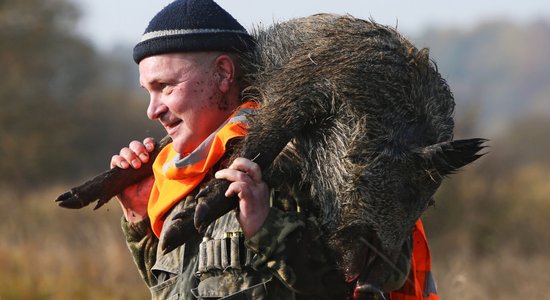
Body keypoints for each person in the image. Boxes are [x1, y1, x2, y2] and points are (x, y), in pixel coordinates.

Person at [110, 0, 433, 299]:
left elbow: (376, 279)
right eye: (148, 92)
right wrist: (140, 220)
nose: (153, 110)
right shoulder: (178, 176)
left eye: (165, 87)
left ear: (224, 73)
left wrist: (267, 227)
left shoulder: (318, 155)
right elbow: (177, 289)